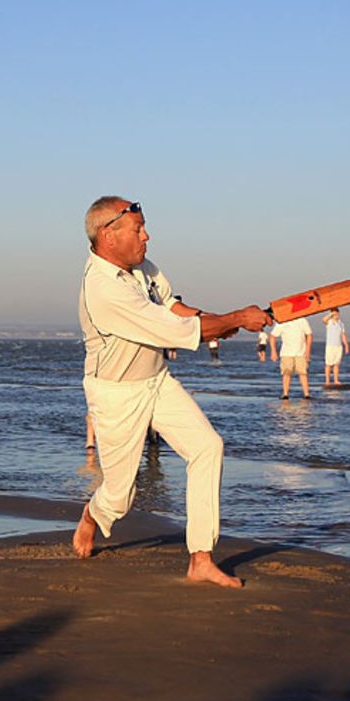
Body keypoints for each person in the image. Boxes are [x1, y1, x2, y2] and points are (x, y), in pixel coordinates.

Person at [75, 196, 269, 588]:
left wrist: (220, 321)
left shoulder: (143, 269)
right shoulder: (102, 289)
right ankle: (92, 516)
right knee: (119, 496)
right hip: (116, 395)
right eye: (138, 229)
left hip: (157, 380)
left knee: (207, 447)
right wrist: (233, 320)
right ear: (108, 235)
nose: (147, 236)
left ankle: (200, 557)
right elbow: (172, 330)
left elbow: (174, 309)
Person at [269, 316, 312, 399]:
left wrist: (308, 350)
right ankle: (285, 394)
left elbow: (309, 335)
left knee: (303, 372)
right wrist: (273, 351)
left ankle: (306, 393)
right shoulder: (281, 322)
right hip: (286, 352)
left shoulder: (302, 320)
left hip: (301, 352)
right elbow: (272, 336)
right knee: (286, 373)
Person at [322, 308, 350, 386]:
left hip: (338, 346)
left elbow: (343, 335)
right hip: (330, 346)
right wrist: (331, 314)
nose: (337, 316)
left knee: (336, 364)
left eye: (337, 314)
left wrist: (346, 345)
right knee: (328, 364)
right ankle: (327, 380)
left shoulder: (341, 324)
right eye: (335, 314)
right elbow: (324, 320)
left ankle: (336, 380)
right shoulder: (329, 322)